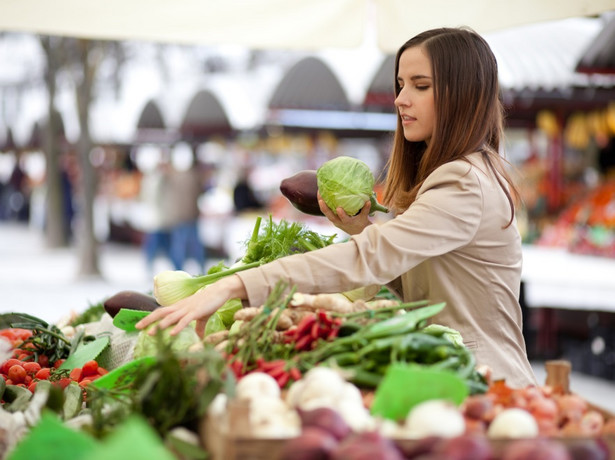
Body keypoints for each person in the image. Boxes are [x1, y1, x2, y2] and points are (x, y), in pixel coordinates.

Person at [137, 27, 537, 389]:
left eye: (420, 85)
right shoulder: (456, 173)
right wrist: (362, 228)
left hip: (488, 384)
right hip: (449, 376)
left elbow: (372, 258)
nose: (400, 99)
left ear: (462, 94)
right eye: (400, 84)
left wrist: (235, 284)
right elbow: (412, 282)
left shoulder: (463, 181)